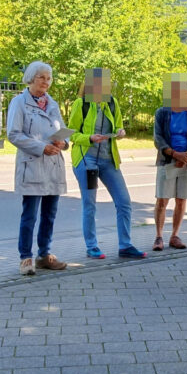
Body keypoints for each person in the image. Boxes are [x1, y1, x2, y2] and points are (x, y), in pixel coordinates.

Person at [68, 68, 145, 259]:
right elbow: (72, 134)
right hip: (88, 160)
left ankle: (125, 246)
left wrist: (120, 132)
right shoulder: (81, 104)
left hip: (108, 160)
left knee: (124, 202)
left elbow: (118, 125)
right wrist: (90, 138)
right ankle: (92, 246)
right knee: (90, 203)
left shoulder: (112, 102)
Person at [8, 61, 68, 274]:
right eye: (41, 77)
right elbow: (13, 134)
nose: (46, 82)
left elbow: (61, 130)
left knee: (49, 215)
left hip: (53, 166)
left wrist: (63, 143)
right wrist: (41, 147)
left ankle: (45, 254)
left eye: (49, 78)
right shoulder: (19, 103)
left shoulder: (52, 104)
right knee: (30, 215)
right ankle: (26, 257)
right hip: (33, 165)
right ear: (31, 78)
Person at [152, 73, 187, 251]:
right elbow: (158, 138)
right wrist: (175, 154)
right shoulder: (162, 112)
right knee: (162, 200)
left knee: (181, 200)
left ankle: (175, 235)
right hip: (168, 159)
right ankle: (158, 236)